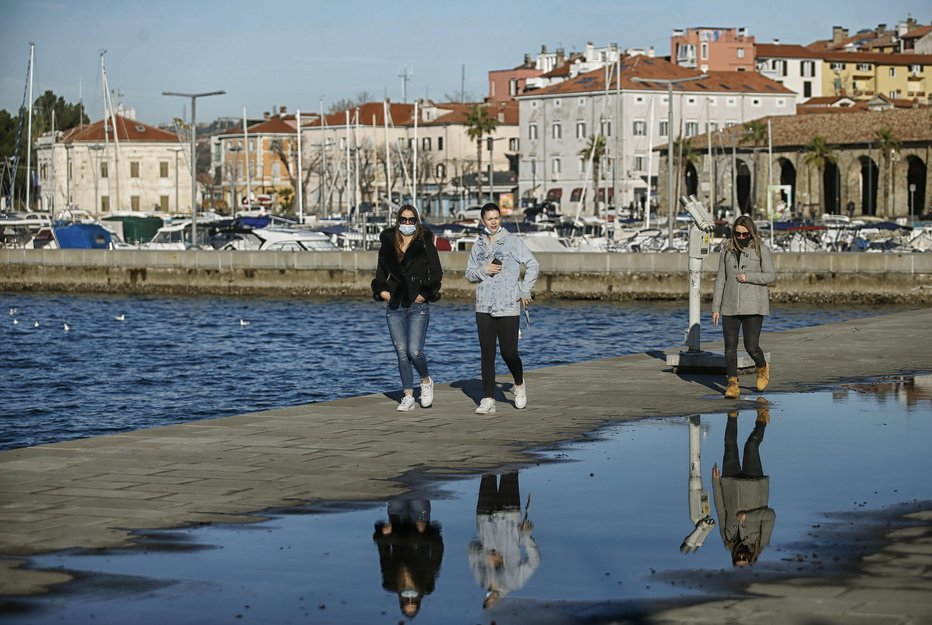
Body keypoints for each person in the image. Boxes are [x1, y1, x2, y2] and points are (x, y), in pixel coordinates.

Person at [465, 202, 539, 414]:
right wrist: (484, 269)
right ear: (483, 221)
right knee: (487, 354)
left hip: (508, 305)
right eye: (489, 218)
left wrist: (525, 289)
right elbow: (469, 274)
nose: (494, 221)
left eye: (496, 217)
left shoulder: (512, 242)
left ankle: (519, 383)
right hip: (483, 305)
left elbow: (533, 264)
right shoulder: (477, 245)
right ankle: (488, 399)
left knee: (509, 353)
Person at [372, 205, 443, 411]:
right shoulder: (388, 244)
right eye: (403, 220)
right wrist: (383, 293)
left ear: (417, 222)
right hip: (394, 305)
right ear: (397, 221)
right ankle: (408, 395)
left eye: (412, 220)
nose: (407, 224)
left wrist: (424, 294)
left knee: (414, 351)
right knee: (401, 352)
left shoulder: (425, 242)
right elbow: (379, 276)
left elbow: (436, 273)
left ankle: (425, 380)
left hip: (417, 306)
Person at [711, 215, 775, 399]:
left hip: (753, 305)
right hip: (729, 305)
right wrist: (716, 308)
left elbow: (770, 276)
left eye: (744, 234)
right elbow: (720, 281)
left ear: (751, 232)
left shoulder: (761, 250)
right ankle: (732, 384)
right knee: (729, 346)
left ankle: (762, 367)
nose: (740, 238)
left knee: (751, 346)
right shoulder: (726, 251)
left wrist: (749, 277)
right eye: (737, 234)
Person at [712, 399, 775, 567]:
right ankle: (762, 420)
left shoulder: (727, 539)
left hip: (730, 485)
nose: (741, 555)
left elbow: (720, 510)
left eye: (737, 558)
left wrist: (715, 483)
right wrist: (749, 516)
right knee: (751, 446)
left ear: (733, 557)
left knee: (729, 446)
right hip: (753, 485)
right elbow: (770, 516)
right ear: (750, 558)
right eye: (744, 558)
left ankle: (732, 415)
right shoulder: (761, 542)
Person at [468, 473, 540, 609]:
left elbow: (471, 549)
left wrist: (485, 555)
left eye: (486, 602)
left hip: (484, 515)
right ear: (500, 604)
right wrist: (525, 537)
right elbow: (534, 562)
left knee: (487, 473)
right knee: (510, 472)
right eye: (492, 604)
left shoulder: (481, 580)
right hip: (510, 515)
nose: (490, 600)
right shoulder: (514, 583)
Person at [373, 497, 444, 618]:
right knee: (418, 494)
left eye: (407, 602)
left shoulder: (390, 583)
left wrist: (382, 534)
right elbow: (437, 549)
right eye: (413, 602)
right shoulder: (427, 585)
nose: (410, 599)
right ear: (419, 600)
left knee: (398, 491)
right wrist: (426, 532)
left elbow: (384, 554)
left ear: (401, 601)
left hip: (397, 523)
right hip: (419, 524)